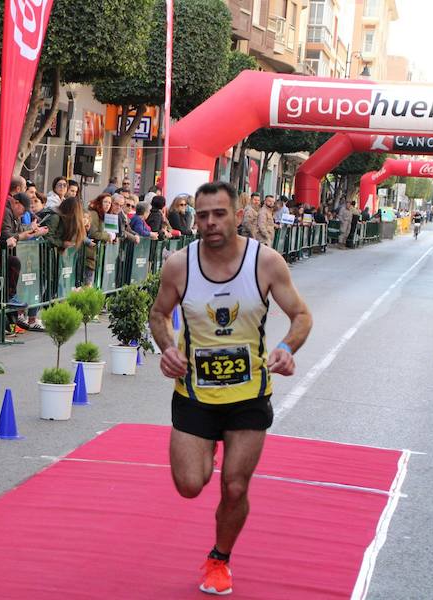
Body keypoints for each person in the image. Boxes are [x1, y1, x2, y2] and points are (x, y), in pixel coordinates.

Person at [149, 181, 312, 596]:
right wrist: (168, 349)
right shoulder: (178, 265)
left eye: (218, 213)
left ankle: (220, 558)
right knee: (189, 485)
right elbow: (158, 315)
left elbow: (300, 316)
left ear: (238, 215)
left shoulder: (267, 263)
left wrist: (285, 348)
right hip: (195, 395)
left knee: (235, 485)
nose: (209, 222)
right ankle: (205, 453)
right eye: (202, 215)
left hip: (249, 395)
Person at [85, 193, 116, 284]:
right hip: (90, 254)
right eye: (105, 202)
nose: (107, 205)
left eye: (109, 203)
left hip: (99, 255)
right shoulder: (94, 214)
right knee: (88, 284)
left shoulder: (107, 215)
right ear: (100, 202)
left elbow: (110, 232)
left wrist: (114, 237)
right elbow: (94, 233)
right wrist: (108, 236)